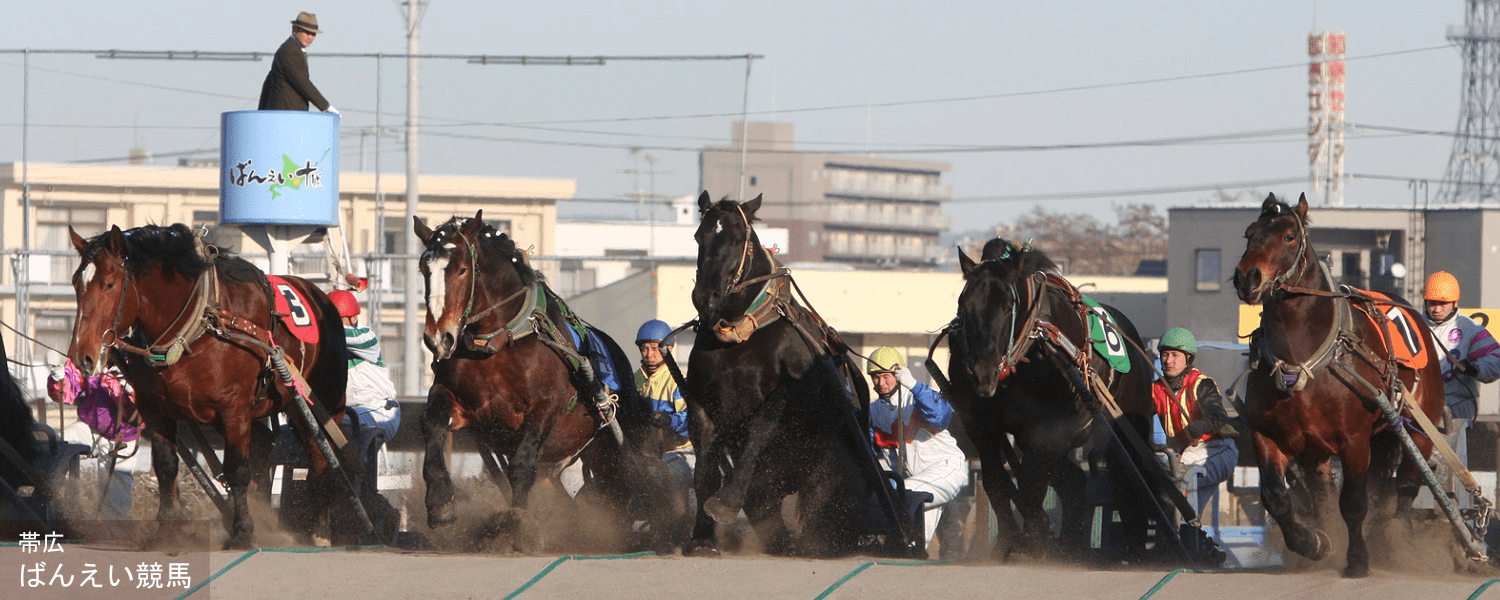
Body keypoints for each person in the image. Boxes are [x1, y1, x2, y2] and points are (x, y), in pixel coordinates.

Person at [865, 346, 967, 552]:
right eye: (875, 377)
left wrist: (912, 384)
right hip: (917, 482)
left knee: (905, 496)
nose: (881, 383)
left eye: (886, 376)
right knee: (916, 543)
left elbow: (941, 416)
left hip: (946, 471)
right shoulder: (873, 411)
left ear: (898, 374)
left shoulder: (916, 397)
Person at [1418, 271, 1500, 510]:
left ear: (1454, 303)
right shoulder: (1415, 326)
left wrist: (1474, 369)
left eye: (1442, 304)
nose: (1436, 309)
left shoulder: (1470, 329)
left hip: (1456, 403)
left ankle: (1455, 506)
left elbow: (1495, 359)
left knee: (1448, 445)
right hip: (1420, 404)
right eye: (1432, 303)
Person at [1152, 327, 1239, 515]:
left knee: (1172, 470)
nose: (1168, 361)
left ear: (1188, 359)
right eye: (1165, 354)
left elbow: (1218, 417)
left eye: (1175, 355)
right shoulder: (1156, 389)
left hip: (1217, 450)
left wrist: (1197, 428)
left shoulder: (1201, 384)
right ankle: (1187, 539)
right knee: (1189, 515)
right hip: (1189, 454)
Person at [328, 290, 400, 443]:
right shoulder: (328, 344)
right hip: (349, 412)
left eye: (336, 319)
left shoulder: (366, 336)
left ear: (354, 318)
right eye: (329, 319)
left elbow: (340, 333)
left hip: (381, 409)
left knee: (337, 423)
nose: (331, 323)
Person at [633, 320, 694, 504]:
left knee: (662, 478)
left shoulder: (679, 382)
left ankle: (675, 526)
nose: (649, 355)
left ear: (669, 349)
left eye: (655, 348)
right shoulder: (634, 380)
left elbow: (692, 422)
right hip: (644, 451)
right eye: (645, 349)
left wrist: (669, 420)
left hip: (678, 451)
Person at [258, 12, 338, 114]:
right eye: (306, 32)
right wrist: (326, 107)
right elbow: (303, 84)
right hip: (286, 113)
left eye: (313, 34)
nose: (310, 37)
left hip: (286, 114)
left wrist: (261, 112)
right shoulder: (290, 51)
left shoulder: (293, 49)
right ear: (295, 30)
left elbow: (269, 81)